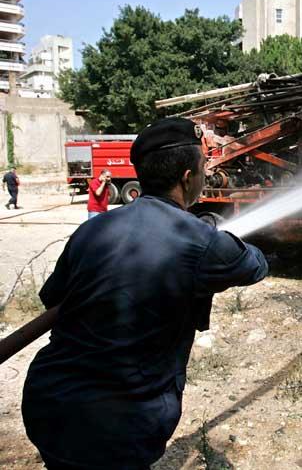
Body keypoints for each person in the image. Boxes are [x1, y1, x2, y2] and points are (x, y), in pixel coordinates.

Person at [22, 118, 268, 470]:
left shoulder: (93, 229)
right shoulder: (203, 241)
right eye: (204, 168)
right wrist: (216, 232)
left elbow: (53, 299)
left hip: (49, 404)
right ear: (188, 177)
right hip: (120, 426)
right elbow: (256, 265)